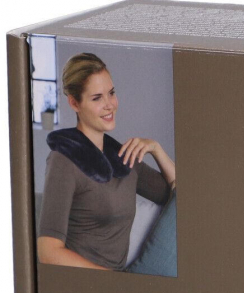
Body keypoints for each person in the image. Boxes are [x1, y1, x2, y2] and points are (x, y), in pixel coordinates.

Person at [37, 53, 176, 270]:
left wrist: (156, 148)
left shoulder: (125, 158)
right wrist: (112, 283)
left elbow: (179, 196)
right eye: (97, 98)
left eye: (111, 93)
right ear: (74, 103)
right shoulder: (63, 160)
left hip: (117, 282)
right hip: (82, 283)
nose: (109, 105)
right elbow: (48, 251)